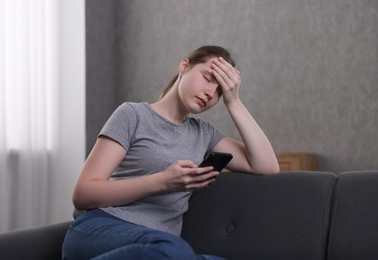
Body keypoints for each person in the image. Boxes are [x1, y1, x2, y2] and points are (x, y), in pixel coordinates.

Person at [62, 45, 280, 259]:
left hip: (158, 249)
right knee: (173, 249)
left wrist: (234, 101)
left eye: (220, 92)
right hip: (101, 229)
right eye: (207, 78)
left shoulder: (204, 134)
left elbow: (267, 166)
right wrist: (163, 182)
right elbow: (83, 194)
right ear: (184, 66)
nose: (210, 93)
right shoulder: (133, 115)